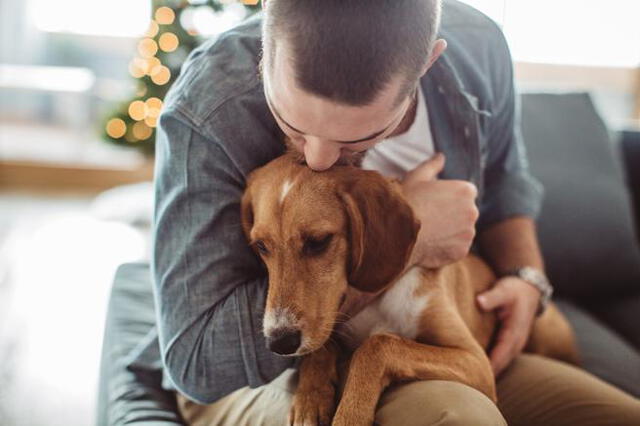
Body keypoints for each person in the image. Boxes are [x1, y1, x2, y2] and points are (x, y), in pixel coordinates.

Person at [152, 0, 640, 424]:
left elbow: (507, 177)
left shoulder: (480, 44)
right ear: (266, 41)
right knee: (455, 415)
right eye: (292, 121)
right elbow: (196, 363)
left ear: (426, 64)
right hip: (248, 376)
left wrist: (526, 277)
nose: (318, 160)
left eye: (355, 138)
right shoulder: (207, 107)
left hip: (443, 349)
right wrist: (414, 238)